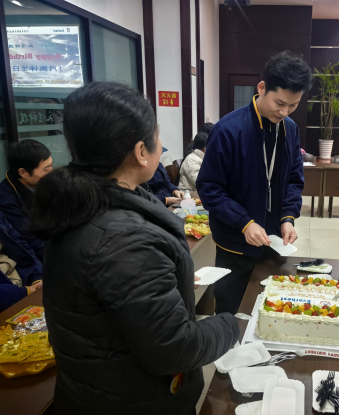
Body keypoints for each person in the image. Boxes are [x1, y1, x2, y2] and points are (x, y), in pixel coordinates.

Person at [32, 82, 239, 415]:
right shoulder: (125, 241)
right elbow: (174, 348)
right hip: (132, 400)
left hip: (97, 388)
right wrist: (232, 325)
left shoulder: (82, 203)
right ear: (142, 151)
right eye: (157, 136)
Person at [197, 51, 310, 315]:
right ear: (261, 88)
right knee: (232, 311)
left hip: (273, 241)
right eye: (279, 103)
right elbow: (210, 188)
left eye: (293, 105)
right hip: (235, 244)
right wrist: (244, 223)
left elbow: (294, 180)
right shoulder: (228, 129)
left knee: (270, 309)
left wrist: (288, 218)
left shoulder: (290, 129)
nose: (284, 112)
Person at [0, 139, 52, 262]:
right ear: (23, 172)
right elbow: (30, 241)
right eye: (46, 169)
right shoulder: (6, 200)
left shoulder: (46, 183)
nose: (51, 173)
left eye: (51, 166)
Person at [0, 212, 43, 312]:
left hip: (24, 281)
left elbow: (22, 247)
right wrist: (24, 292)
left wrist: (37, 277)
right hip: (10, 297)